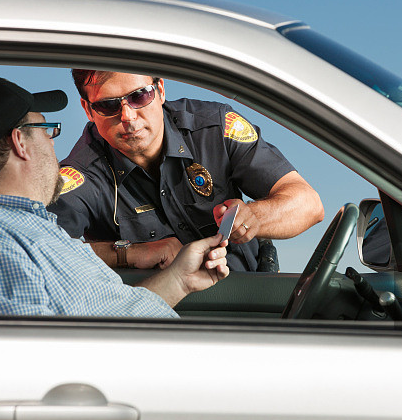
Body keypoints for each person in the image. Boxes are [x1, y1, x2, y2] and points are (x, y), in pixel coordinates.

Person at [0, 75, 229, 318]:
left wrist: (180, 280)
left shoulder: (28, 228)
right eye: (47, 129)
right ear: (20, 142)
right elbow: (34, 361)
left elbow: (109, 314)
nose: (52, 141)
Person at [49, 70, 324, 272]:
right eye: (108, 105)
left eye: (139, 96)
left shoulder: (215, 129)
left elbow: (309, 205)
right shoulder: (79, 176)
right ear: (87, 109)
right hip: (153, 323)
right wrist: (130, 254)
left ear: (160, 89)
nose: (128, 117)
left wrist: (254, 218)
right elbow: (38, 249)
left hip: (247, 300)